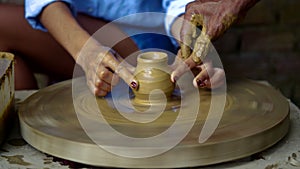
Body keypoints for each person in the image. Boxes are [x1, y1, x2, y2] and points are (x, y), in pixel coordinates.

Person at [0, 0, 259, 96]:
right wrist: (86, 52)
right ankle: (26, 135)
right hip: (75, 36)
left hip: (143, 44)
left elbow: (179, 8)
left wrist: (190, 41)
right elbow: (44, 3)